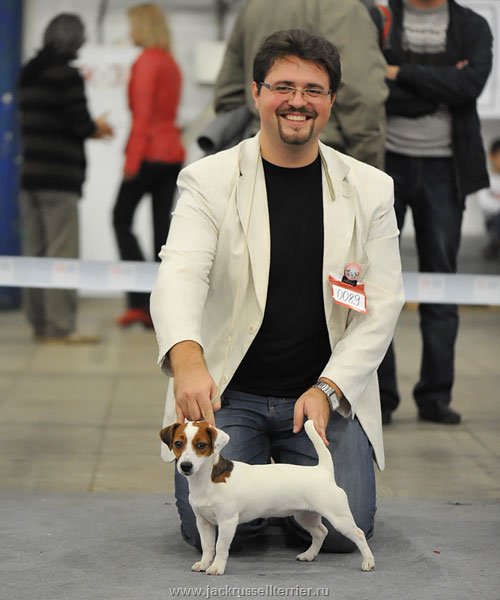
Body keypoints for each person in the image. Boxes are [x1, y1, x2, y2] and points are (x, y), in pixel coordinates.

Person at [151, 29, 404, 553]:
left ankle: (283, 496)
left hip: (318, 394)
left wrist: (329, 389)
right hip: (229, 394)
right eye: (283, 87)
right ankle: (273, 497)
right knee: (223, 529)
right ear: (256, 92)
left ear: (331, 100)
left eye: (313, 90)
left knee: (342, 533)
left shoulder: (371, 189)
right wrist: (187, 357)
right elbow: (180, 273)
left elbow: (381, 305)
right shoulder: (207, 181)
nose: (297, 101)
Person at [368, 0, 493, 425]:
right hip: (385, 164)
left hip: (447, 168)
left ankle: (435, 396)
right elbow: (371, 85)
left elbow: (470, 85)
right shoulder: (381, 18)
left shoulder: (471, 25)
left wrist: (400, 73)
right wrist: (441, 85)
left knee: (443, 283)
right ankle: (381, 397)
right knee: (377, 286)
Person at [18, 13, 113, 344]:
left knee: (34, 254)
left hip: (31, 177)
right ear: (74, 39)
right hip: (59, 178)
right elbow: (80, 123)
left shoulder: (29, 73)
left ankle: (40, 325)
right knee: (61, 255)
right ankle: (61, 327)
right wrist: (98, 128)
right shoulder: (67, 76)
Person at [213, 0, 388, 170]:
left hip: (258, 154)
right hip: (326, 155)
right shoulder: (346, 8)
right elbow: (365, 98)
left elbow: (229, 93)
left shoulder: (254, 6)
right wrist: (364, 169)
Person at [113, 3, 185, 328]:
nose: (129, 32)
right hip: (172, 152)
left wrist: (131, 161)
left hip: (149, 153)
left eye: (132, 25)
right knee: (162, 233)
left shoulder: (146, 62)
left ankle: (140, 302)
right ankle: (164, 308)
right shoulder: (170, 62)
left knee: (120, 218)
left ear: (143, 27)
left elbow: (142, 117)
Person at [476, 139, 500, 261]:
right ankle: (494, 245)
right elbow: (485, 204)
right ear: (491, 156)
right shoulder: (485, 179)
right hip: (493, 219)